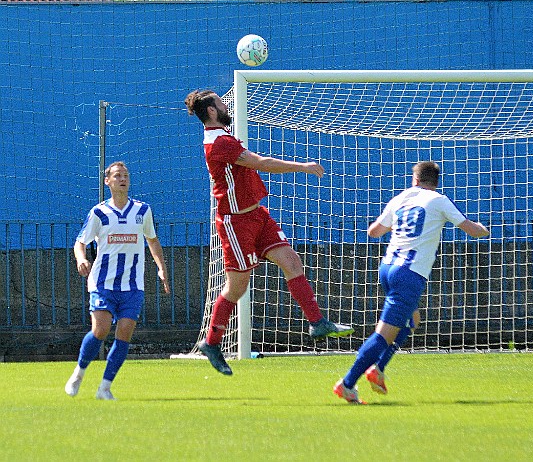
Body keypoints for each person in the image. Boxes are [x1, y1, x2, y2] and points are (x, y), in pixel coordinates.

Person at [184, 89, 354, 375]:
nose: (226, 105)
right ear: (212, 111)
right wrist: (303, 166)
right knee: (237, 287)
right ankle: (211, 343)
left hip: (257, 216)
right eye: (221, 102)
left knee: (291, 262)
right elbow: (262, 164)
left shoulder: (223, 136)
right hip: (235, 223)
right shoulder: (219, 142)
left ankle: (317, 323)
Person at [333, 161, 489, 404]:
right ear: (435, 182)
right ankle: (348, 383)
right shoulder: (439, 200)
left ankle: (378, 369)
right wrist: (484, 229)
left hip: (387, 268)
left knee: (412, 319)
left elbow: (373, 231)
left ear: (415, 180)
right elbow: (472, 230)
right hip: (409, 274)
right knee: (383, 335)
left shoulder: (400, 199)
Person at [65, 161, 170, 400]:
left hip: (133, 285)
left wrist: (161, 267)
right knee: (100, 330)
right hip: (103, 282)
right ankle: (78, 373)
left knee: (124, 334)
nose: (123, 179)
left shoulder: (143, 210)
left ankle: (104, 387)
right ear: (107, 181)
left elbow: (152, 240)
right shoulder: (99, 213)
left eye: (126, 175)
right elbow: (80, 242)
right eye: (117, 176)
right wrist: (81, 258)